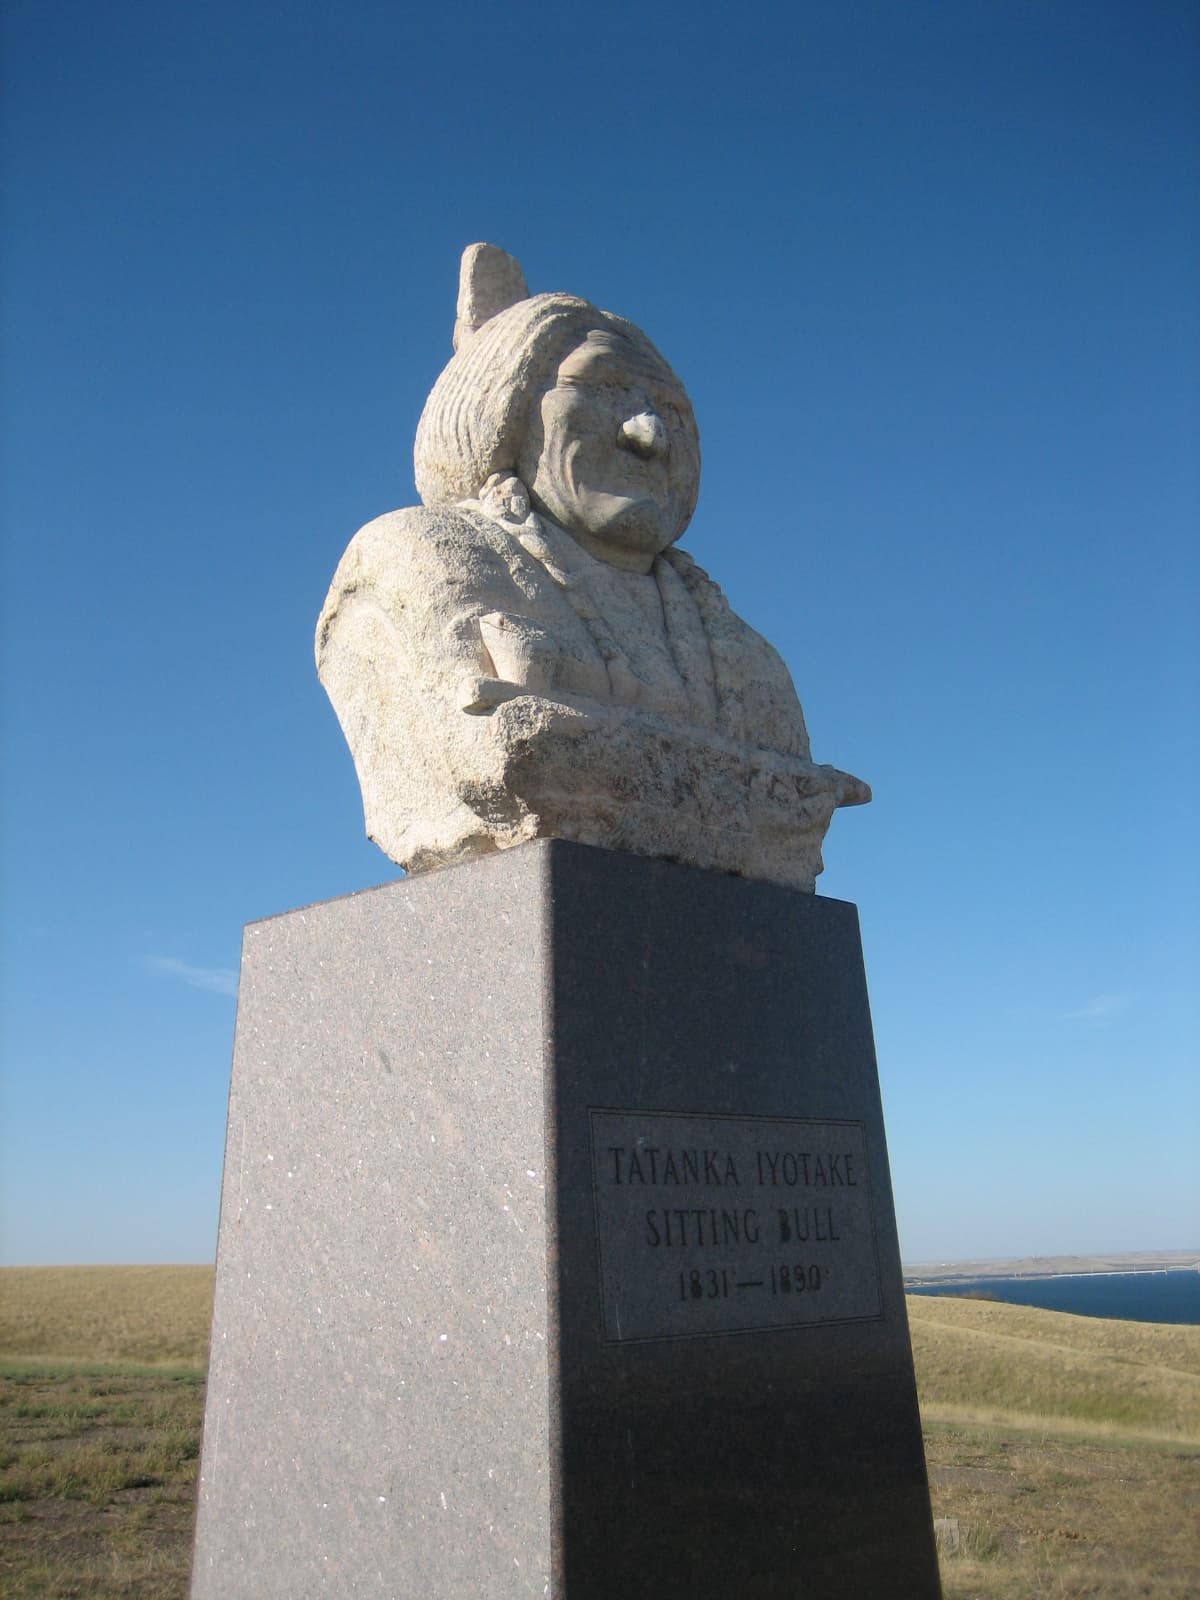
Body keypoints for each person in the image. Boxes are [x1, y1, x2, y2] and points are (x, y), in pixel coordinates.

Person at [316, 245, 867, 890]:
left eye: (673, 413)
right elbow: (487, 758)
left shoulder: (747, 655)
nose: (649, 434)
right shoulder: (417, 560)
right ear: (504, 413)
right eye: (602, 391)